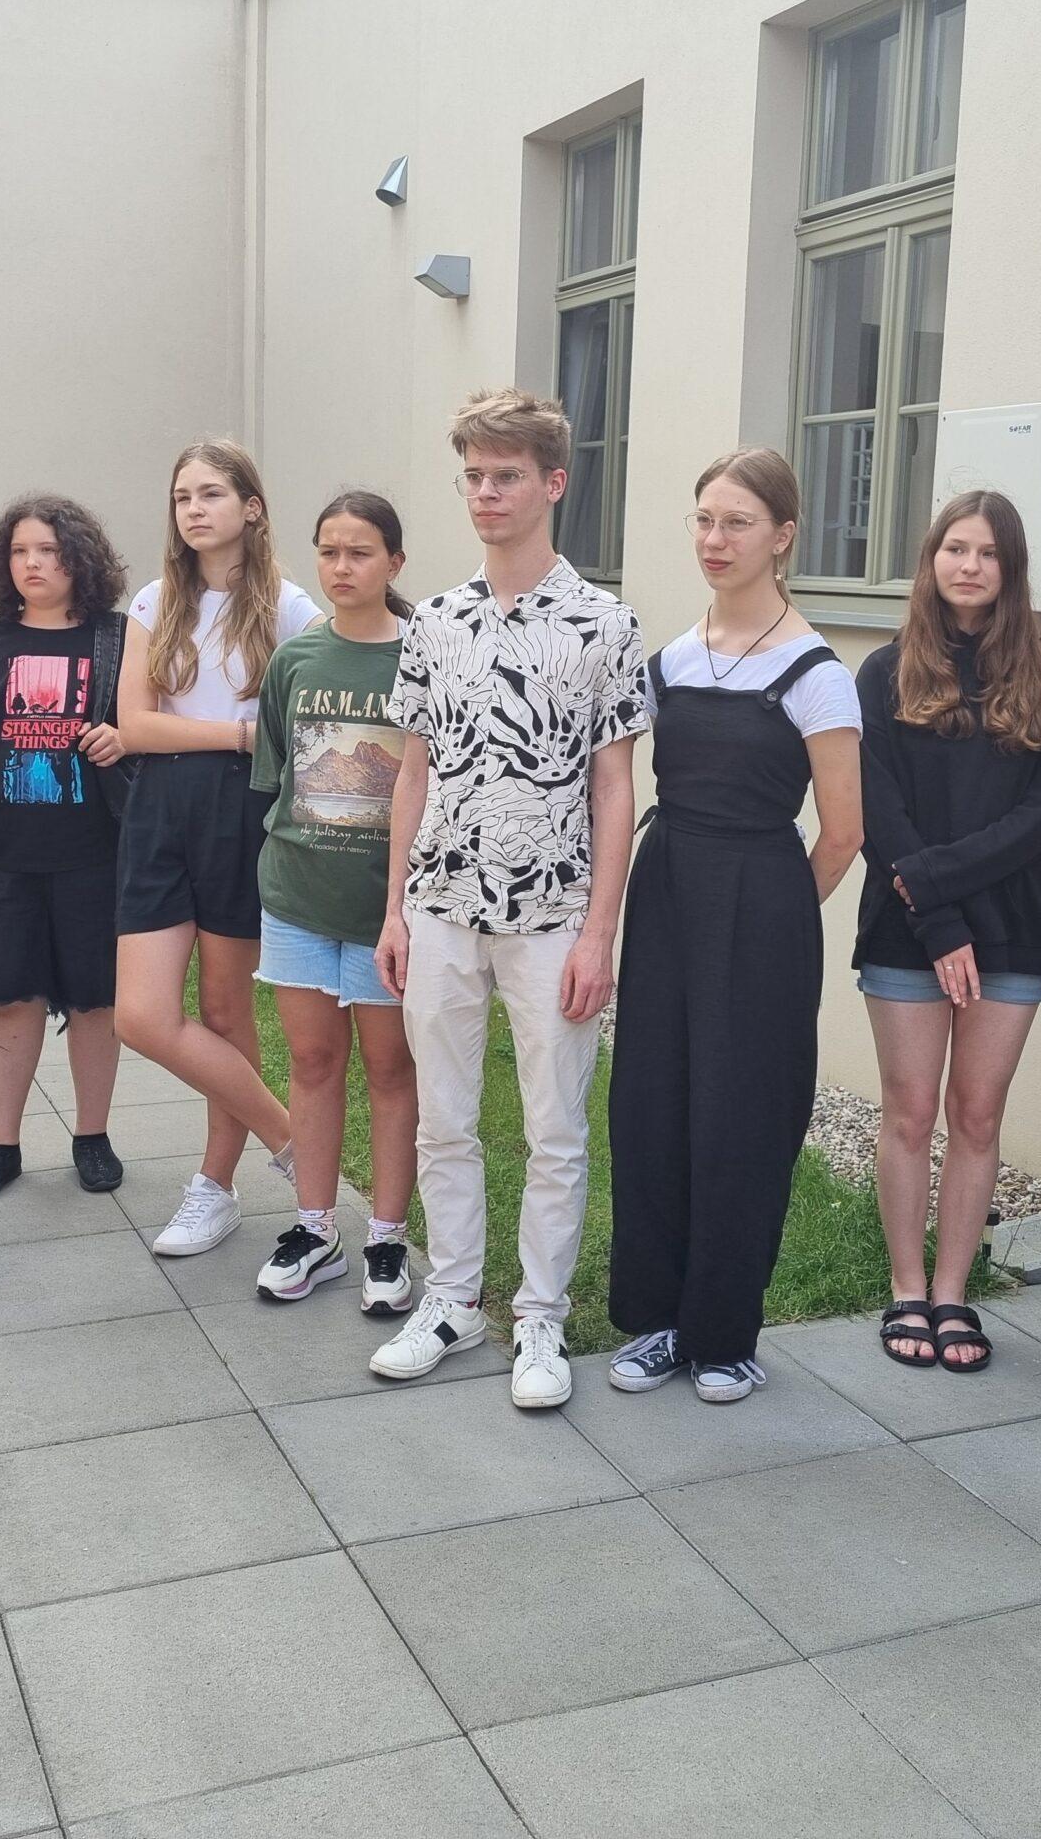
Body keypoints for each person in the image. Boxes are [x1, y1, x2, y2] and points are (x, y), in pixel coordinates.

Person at [371, 388, 647, 1409]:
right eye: (474, 477)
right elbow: (412, 772)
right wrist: (395, 910)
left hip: (553, 917)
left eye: (507, 477)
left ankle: (539, 1317)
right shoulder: (435, 622)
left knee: (554, 1132)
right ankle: (450, 1300)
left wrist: (599, 932)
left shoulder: (604, 624)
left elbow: (615, 788)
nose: (486, 494)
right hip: (440, 905)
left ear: (552, 483)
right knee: (443, 1121)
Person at [603, 449, 862, 1404]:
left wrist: (773, 916)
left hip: (761, 907)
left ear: (783, 536)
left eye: (738, 523)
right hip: (667, 890)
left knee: (742, 1116)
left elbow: (843, 832)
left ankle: (724, 1333)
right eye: (705, 520)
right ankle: (661, 1319)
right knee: (653, 1107)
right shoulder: (671, 660)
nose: (715, 540)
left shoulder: (817, 671)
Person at [850, 490, 1041, 1375]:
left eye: (987, 552)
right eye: (956, 548)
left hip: (1011, 930)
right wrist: (939, 919)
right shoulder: (884, 672)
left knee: (978, 1116)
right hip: (906, 928)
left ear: (1010, 568)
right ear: (932, 558)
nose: (970, 565)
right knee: (910, 1113)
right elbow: (879, 811)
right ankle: (906, 1287)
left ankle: (953, 1293)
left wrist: (943, 889)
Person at [114, 440, 315, 1256]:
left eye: (211, 494)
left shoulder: (291, 609)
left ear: (251, 508)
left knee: (228, 1013)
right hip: (160, 809)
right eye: (182, 497)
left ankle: (215, 1187)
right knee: (142, 1016)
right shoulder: (154, 600)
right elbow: (134, 726)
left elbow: (305, 727)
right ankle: (293, 1138)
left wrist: (232, 742)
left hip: (243, 811)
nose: (193, 510)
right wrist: (237, 733)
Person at [0, 495, 131, 1205]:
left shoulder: (117, 640)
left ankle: (92, 1137)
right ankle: (0, 1146)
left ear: (80, 558)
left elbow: (149, 732)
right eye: (18, 551)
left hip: (96, 855)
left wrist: (123, 738)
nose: (32, 563)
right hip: (6, 857)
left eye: (49, 550)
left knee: (96, 1001)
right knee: (9, 998)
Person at [247, 490, 421, 1314]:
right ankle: (314, 1229)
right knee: (313, 1064)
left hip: (388, 913)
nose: (341, 567)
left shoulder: (422, 660)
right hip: (298, 902)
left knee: (391, 1070)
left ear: (394, 562)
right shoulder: (296, 661)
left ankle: (388, 1240)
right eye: (328, 552)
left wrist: (404, 908)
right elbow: (278, 778)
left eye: (359, 552)